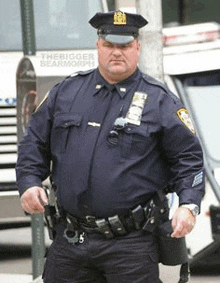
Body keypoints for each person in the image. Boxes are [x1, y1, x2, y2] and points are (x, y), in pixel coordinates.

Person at [16, 11, 205, 283]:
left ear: (137, 48)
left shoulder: (160, 101)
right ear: (98, 46)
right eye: (109, 45)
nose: (117, 52)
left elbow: (189, 160)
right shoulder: (66, 92)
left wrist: (188, 205)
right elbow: (34, 141)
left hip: (131, 246)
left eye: (125, 46)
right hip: (71, 241)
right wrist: (28, 182)